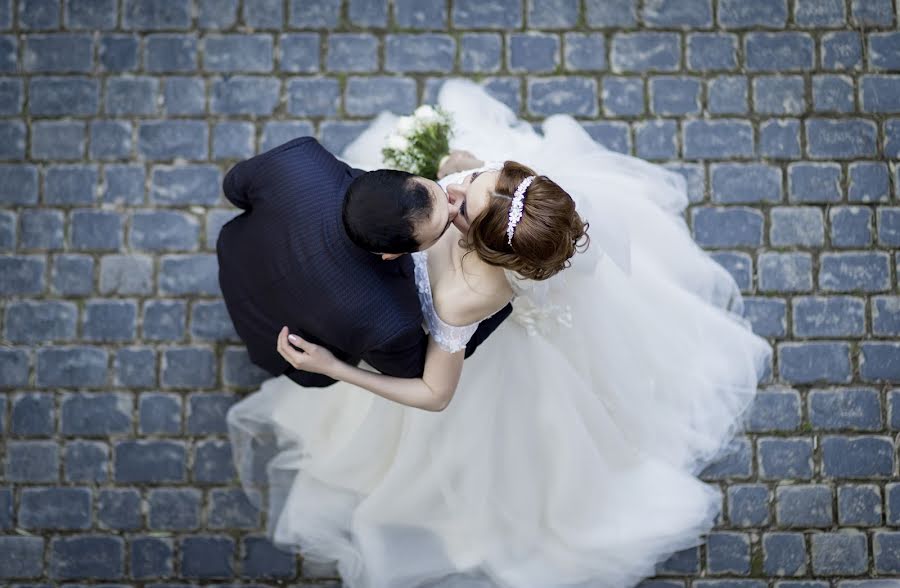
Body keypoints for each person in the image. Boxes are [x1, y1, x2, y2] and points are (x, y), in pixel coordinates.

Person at [226, 80, 772, 588]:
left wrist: (335, 367)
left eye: (463, 206)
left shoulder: (467, 294)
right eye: (471, 184)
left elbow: (437, 393)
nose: (456, 190)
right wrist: (449, 174)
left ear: (489, 248)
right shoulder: (492, 188)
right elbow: (455, 165)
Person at [215, 133, 511, 389]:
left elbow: (234, 187)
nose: (453, 206)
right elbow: (418, 373)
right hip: (280, 345)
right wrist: (496, 306)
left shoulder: (299, 159)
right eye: (444, 225)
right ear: (392, 254)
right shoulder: (389, 321)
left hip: (236, 257)